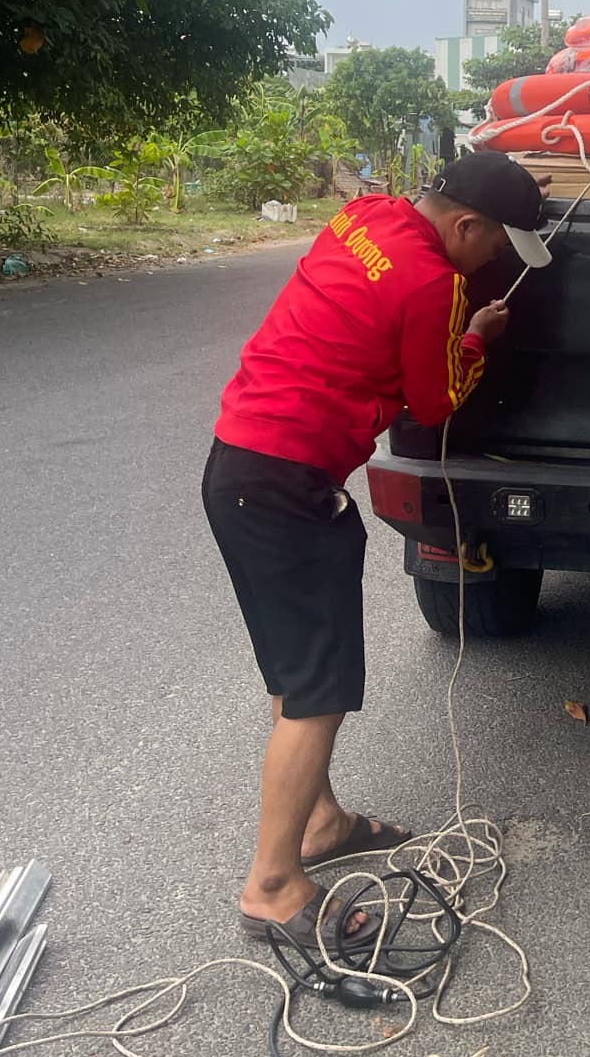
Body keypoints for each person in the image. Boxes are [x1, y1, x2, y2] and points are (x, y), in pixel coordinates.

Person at [202, 152, 551, 949]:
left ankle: (321, 823)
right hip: (286, 485)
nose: (495, 260)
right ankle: (273, 885)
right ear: (465, 224)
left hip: (239, 465)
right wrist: (476, 337)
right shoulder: (435, 283)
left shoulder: (366, 217)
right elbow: (435, 399)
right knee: (318, 691)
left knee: (297, 673)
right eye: (494, 244)